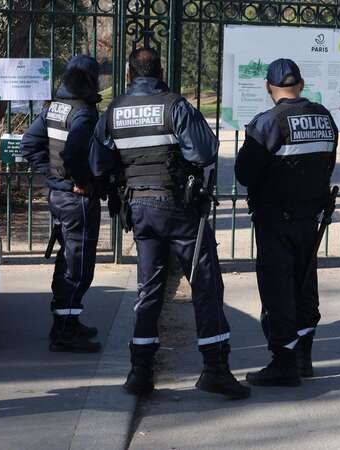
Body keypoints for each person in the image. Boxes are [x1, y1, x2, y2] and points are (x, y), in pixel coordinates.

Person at [89, 47, 249, 399]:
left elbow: (98, 164)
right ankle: (215, 370)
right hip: (178, 207)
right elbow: (204, 151)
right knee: (205, 284)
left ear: (129, 74)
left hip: (139, 209)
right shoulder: (174, 106)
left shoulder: (113, 111)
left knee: (149, 288)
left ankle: (140, 371)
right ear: (160, 70)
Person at [235, 58, 338, 386]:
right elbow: (328, 162)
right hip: (310, 219)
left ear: (269, 87)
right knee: (305, 285)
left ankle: (283, 362)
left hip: (275, 219)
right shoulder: (323, 117)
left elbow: (244, 173)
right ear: (302, 84)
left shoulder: (268, 122)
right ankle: (303, 356)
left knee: (278, 289)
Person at [21, 55, 103, 352]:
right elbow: (73, 154)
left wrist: (52, 176)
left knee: (68, 259)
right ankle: (64, 332)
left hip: (59, 195)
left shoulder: (53, 107)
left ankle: (69, 320)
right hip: (76, 197)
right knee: (78, 265)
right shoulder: (82, 112)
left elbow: (29, 145)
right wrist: (78, 180)